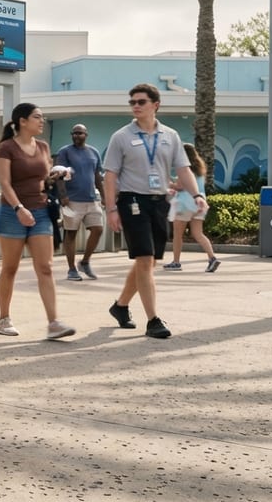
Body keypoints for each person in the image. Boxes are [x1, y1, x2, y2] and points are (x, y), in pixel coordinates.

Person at [104, 83, 207, 339]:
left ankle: (120, 306)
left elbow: (183, 169)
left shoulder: (170, 136)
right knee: (144, 258)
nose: (135, 106)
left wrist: (197, 195)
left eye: (141, 102)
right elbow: (110, 176)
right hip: (132, 202)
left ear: (155, 105)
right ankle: (153, 320)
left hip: (159, 202)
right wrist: (111, 209)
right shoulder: (121, 136)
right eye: (132, 102)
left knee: (148, 260)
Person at [0, 103, 75, 340]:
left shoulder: (43, 146)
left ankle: (54, 323)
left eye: (42, 117)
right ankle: (4, 318)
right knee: (10, 268)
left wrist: (57, 174)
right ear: (22, 121)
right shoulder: (6, 148)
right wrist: (18, 208)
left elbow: (41, 177)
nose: (42, 121)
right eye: (37, 117)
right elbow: (5, 183)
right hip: (12, 212)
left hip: (40, 212)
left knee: (46, 268)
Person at [55, 123, 107, 281]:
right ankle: (71, 269)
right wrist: (63, 194)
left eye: (80, 133)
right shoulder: (65, 152)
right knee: (71, 233)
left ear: (86, 135)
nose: (77, 136)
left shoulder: (94, 152)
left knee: (98, 229)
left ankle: (85, 261)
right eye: (74, 133)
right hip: (72, 200)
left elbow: (97, 176)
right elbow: (58, 174)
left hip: (91, 199)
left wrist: (104, 196)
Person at [164, 143, 221, 273]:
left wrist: (168, 183)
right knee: (198, 233)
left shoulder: (185, 169)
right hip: (200, 203)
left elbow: (180, 186)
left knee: (178, 235)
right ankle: (212, 258)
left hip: (184, 203)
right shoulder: (200, 169)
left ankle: (176, 262)